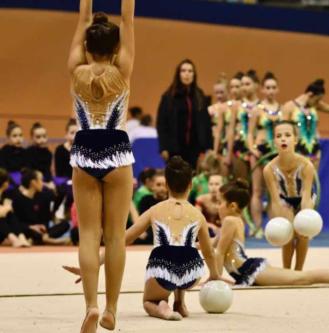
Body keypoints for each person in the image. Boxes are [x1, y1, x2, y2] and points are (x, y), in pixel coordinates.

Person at [64, 157, 221, 321]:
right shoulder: (198, 215)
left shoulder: (155, 210)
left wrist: (94, 265)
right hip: (191, 271)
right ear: (190, 185)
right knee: (184, 247)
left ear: (166, 185)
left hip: (163, 267)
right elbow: (208, 251)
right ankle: (179, 301)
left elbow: (123, 239)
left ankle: (161, 307)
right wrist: (214, 275)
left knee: (148, 301)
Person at [67, 0, 135, 331]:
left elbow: (82, 19)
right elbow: (128, 18)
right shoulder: (122, 72)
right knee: (115, 236)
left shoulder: (75, 72)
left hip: (85, 146)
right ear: (116, 47)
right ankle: (110, 309)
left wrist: (85, 8)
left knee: (89, 235)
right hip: (116, 148)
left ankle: (91, 305)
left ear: (86, 46)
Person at [214, 180, 329, 288]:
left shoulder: (230, 221)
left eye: (220, 202)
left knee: (302, 279)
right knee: (301, 278)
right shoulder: (232, 221)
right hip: (248, 270)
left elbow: (220, 251)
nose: (217, 207)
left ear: (233, 206)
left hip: (251, 270)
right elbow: (213, 243)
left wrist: (215, 278)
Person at [263, 121, 316, 271]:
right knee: (287, 233)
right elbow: (275, 199)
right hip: (284, 200)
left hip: (304, 198)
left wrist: (305, 219)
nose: (283, 139)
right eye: (279, 136)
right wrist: (280, 220)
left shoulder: (306, 166)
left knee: (303, 233)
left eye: (287, 135)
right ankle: (286, 270)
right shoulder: (269, 169)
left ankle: (298, 270)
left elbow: (306, 194)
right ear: (274, 142)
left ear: (295, 140)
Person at [283, 79, 329, 170]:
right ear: (310, 95)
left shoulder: (314, 105)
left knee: (312, 179)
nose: (318, 103)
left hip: (314, 149)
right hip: (297, 149)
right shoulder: (289, 106)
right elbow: (282, 129)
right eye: (317, 100)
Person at [156, 59, 213, 169]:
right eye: (183, 71)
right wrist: (163, 147)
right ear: (178, 74)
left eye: (190, 71)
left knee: (192, 178)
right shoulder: (168, 97)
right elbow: (161, 124)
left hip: (195, 149)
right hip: (174, 148)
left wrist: (208, 147)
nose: (187, 74)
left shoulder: (199, 96)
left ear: (194, 74)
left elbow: (206, 123)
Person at [247, 71, 283, 238]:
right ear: (262, 89)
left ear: (278, 89)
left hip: (276, 154)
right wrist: (252, 148)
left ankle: (273, 226)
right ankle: (257, 226)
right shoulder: (257, 110)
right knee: (257, 191)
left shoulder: (282, 111)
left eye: (273, 87)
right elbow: (249, 133)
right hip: (259, 152)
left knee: (274, 191)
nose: (270, 90)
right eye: (267, 87)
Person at [0, 168, 31, 248]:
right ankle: (13, 238)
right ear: (5, 183)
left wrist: (6, 208)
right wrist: (6, 208)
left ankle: (21, 236)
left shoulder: (5, 196)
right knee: (5, 215)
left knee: (11, 215)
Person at [195, 173, 224, 238]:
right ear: (207, 185)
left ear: (223, 186)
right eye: (211, 184)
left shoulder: (226, 202)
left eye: (217, 184)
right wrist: (211, 226)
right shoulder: (201, 199)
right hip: (205, 232)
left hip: (221, 233)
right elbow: (196, 220)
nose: (213, 187)